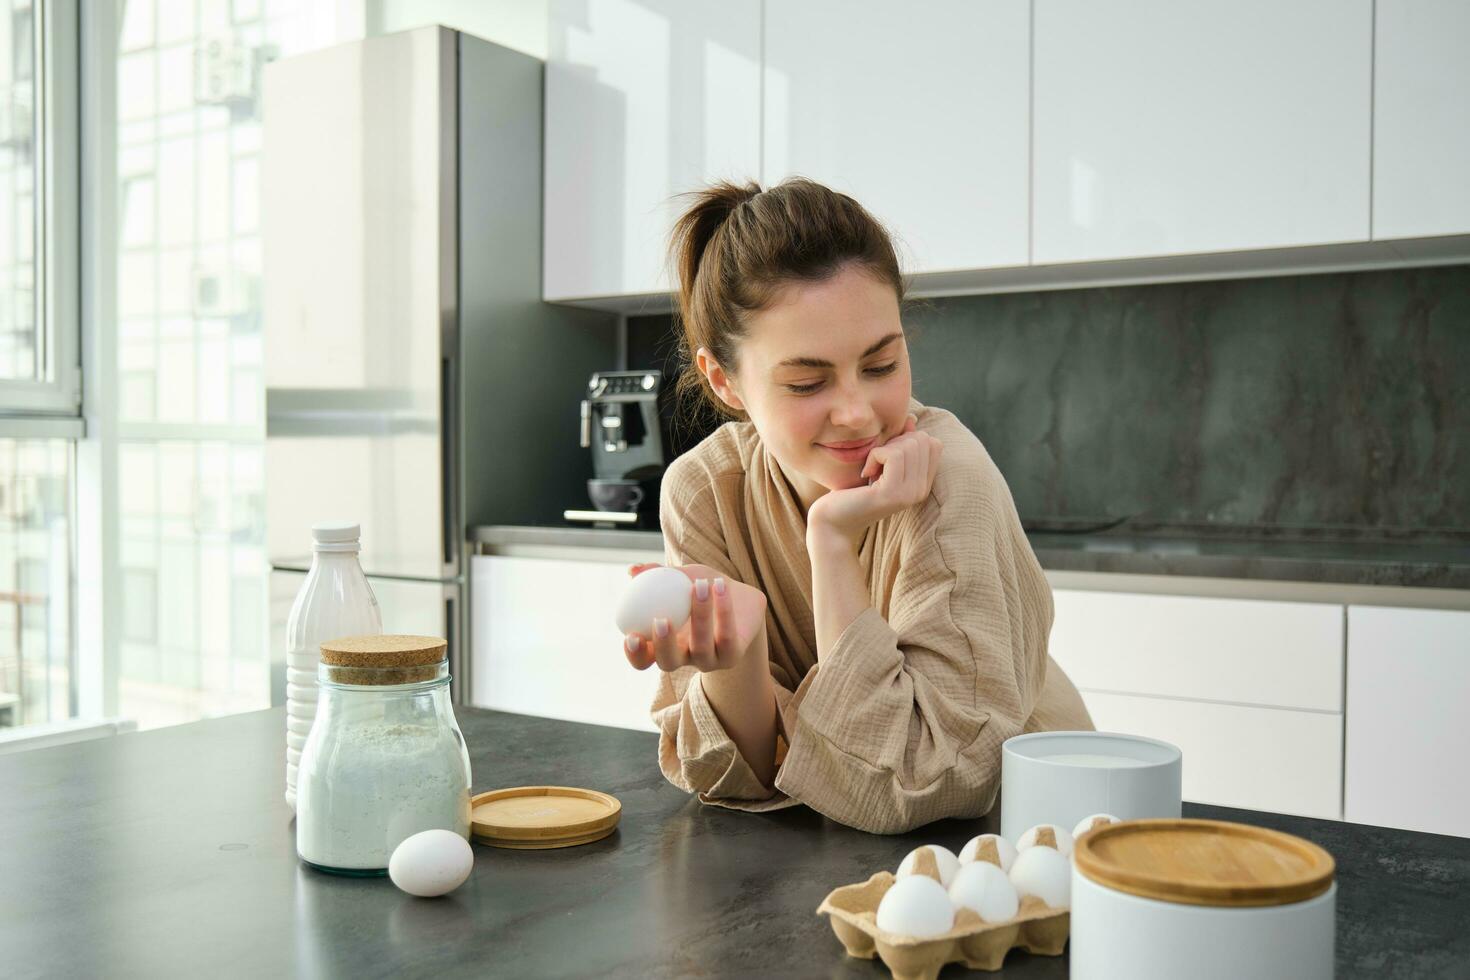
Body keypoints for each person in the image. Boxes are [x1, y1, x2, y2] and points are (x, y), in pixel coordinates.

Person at [620, 177, 1093, 834]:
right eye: (807, 382)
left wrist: (832, 542)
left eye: (880, 365)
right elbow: (730, 777)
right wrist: (738, 654)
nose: (856, 412)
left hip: (1026, 844)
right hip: (842, 868)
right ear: (723, 381)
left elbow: (922, 781)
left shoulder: (948, 479)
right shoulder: (705, 492)